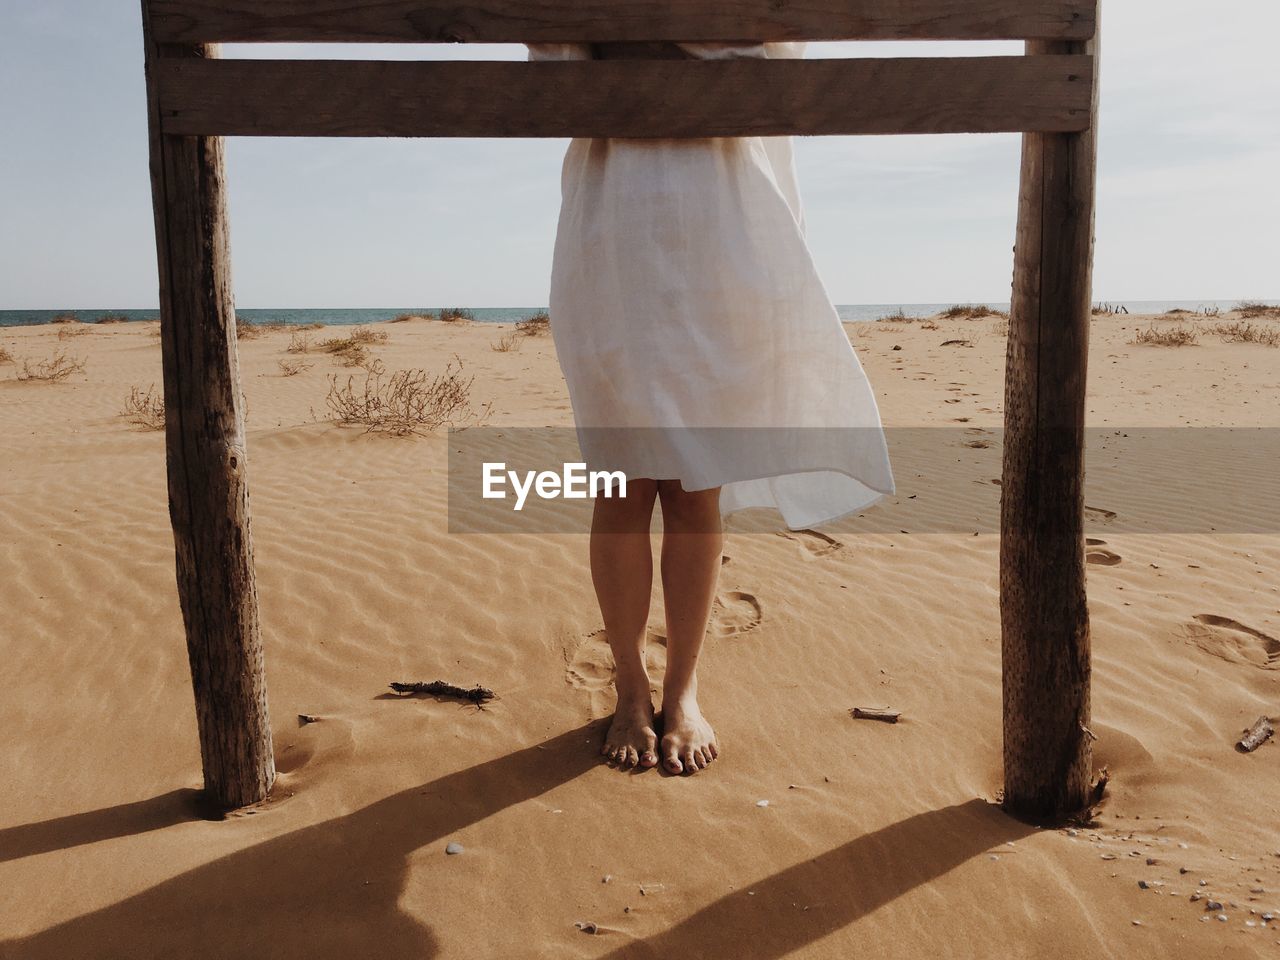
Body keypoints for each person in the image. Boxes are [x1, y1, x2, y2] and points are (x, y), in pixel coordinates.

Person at [527, 39, 895, 775]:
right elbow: (552, 68)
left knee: (698, 481)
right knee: (621, 480)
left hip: (719, 227)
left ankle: (683, 686)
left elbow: (774, 59)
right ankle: (631, 685)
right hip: (616, 219)